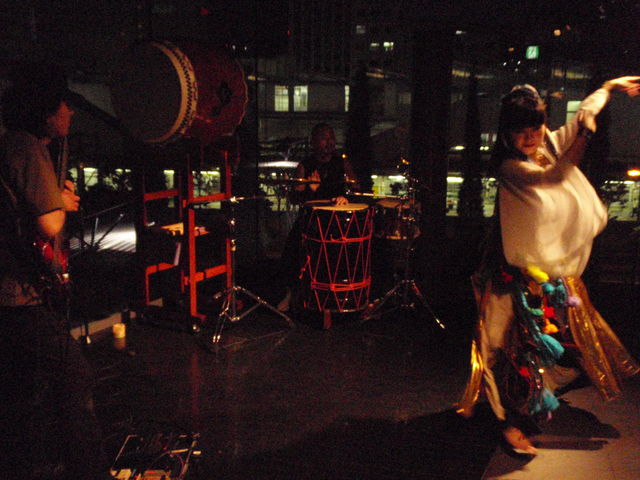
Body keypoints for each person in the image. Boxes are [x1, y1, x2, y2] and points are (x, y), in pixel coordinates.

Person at [457, 76, 640, 455]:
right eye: (520, 131)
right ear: (506, 134)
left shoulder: (549, 143)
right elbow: (553, 178)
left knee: (554, 342)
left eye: (536, 127)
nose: (530, 137)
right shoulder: (510, 166)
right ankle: (507, 423)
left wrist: (607, 88)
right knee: (499, 346)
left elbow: (583, 112)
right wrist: (585, 136)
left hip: (545, 274)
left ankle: (524, 406)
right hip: (509, 271)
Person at [0, 73, 109, 478]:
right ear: (46, 112)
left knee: (23, 388)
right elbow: (49, 222)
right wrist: (61, 202)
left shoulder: (14, 143)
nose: (71, 112)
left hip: (12, 288)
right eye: (65, 104)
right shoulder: (26, 147)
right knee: (73, 377)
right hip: (18, 291)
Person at [277, 123, 360, 312]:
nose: (329, 142)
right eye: (324, 138)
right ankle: (291, 293)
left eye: (332, 138)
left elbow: (356, 189)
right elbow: (296, 198)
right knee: (292, 250)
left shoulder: (342, 163)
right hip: (312, 221)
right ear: (314, 142)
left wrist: (345, 197)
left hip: (339, 222)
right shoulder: (305, 166)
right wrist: (310, 189)